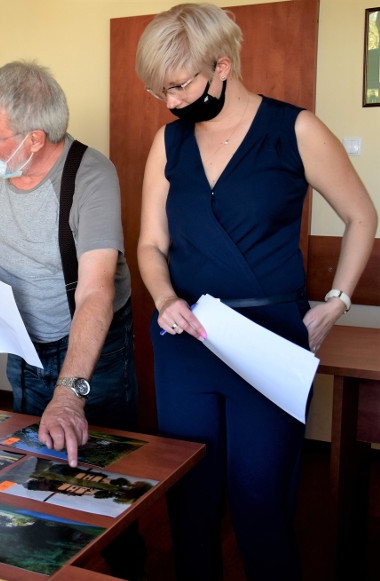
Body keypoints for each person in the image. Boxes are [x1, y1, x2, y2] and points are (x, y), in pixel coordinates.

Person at [135, 4, 377, 580]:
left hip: (270, 341)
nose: (170, 102)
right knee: (189, 501)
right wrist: (166, 299)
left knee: (261, 504)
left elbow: (362, 215)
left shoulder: (294, 130)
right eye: (159, 91)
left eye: (179, 85)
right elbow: (149, 244)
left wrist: (336, 304)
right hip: (186, 337)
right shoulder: (168, 143)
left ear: (222, 66)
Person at [0, 60, 143, 580]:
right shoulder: (3, 164)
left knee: (106, 481)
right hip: (23, 344)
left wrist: (70, 391)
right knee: (33, 473)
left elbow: (96, 292)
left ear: (34, 139)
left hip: (89, 349)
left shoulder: (92, 176)